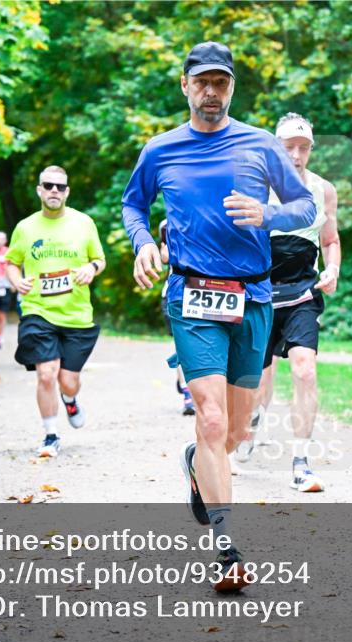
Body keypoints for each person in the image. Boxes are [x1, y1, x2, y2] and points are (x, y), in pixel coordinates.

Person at [122, 42, 315, 591]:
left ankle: (196, 465)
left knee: (232, 430)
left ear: (232, 88)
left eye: (221, 83)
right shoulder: (160, 150)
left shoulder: (259, 145)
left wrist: (270, 213)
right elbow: (134, 204)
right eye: (202, 81)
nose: (212, 92)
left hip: (252, 297)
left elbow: (305, 206)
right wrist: (142, 243)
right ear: (184, 85)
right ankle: (227, 551)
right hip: (191, 295)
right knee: (209, 419)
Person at [237, 113, 341, 494]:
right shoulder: (256, 190)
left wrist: (331, 269)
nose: (296, 156)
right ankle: (250, 426)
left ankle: (301, 462)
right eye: (288, 148)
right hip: (260, 296)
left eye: (304, 148)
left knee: (304, 370)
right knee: (257, 382)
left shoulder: (323, 190)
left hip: (301, 294)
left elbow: (330, 239)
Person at [5, 165, 106, 458]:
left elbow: (100, 260)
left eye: (60, 187)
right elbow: (11, 262)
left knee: (67, 380)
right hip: (38, 310)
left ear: (67, 192)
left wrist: (91, 268)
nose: (54, 191)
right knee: (46, 374)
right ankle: (50, 434)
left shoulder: (84, 223)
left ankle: (70, 400)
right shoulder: (25, 227)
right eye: (48, 185)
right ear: (39, 190)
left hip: (76, 315)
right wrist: (16, 281)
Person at [159, 219, 195, 416]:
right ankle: (188, 393)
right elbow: (164, 256)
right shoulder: (166, 224)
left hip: (206, 293)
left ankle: (195, 385)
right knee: (183, 345)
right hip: (176, 294)